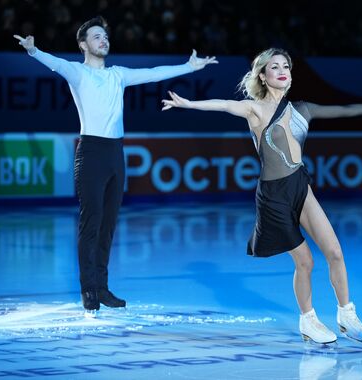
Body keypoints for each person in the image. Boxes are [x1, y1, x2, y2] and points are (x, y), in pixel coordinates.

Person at [161, 48, 362, 344]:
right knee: (305, 262)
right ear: (263, 75)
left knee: (334, 251)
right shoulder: (255, 109)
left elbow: (345, 111)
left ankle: (346, 314)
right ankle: (308, 320)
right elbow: (225, 105)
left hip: (299, 185)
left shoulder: (302, 109)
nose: (282, 70)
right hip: (273, 197)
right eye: (275, 67)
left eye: (286, 66)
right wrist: (189, 103)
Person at [14, 16, 217, 313]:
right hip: (91, 153)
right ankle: (88, 289)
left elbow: (152, 73)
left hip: (115, 153)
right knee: (91, 222)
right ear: (84, 44)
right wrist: (34, 51)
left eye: (105, 36)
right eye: (97, 36)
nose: (103, 40)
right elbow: (54, 62)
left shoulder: (117, 74)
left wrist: (189, 66)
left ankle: (102, 287)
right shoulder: (78, 72)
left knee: (108, 226)